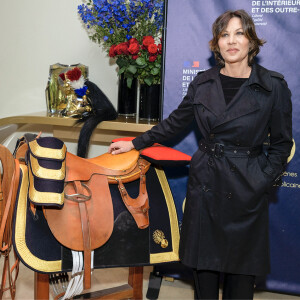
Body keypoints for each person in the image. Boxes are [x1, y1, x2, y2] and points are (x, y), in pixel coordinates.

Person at [108, 9, 293, 300]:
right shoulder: (203, 82)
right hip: (206, 185)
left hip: (247, 187)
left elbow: (282, 143)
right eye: (224, 34)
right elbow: (174, 124)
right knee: (203, 276)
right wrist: (136, 143)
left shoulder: (273, 87)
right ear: (217, 43)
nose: (232, 41)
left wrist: (262, 179)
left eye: (239, 33)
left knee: (241, 280)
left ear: (251, 42)